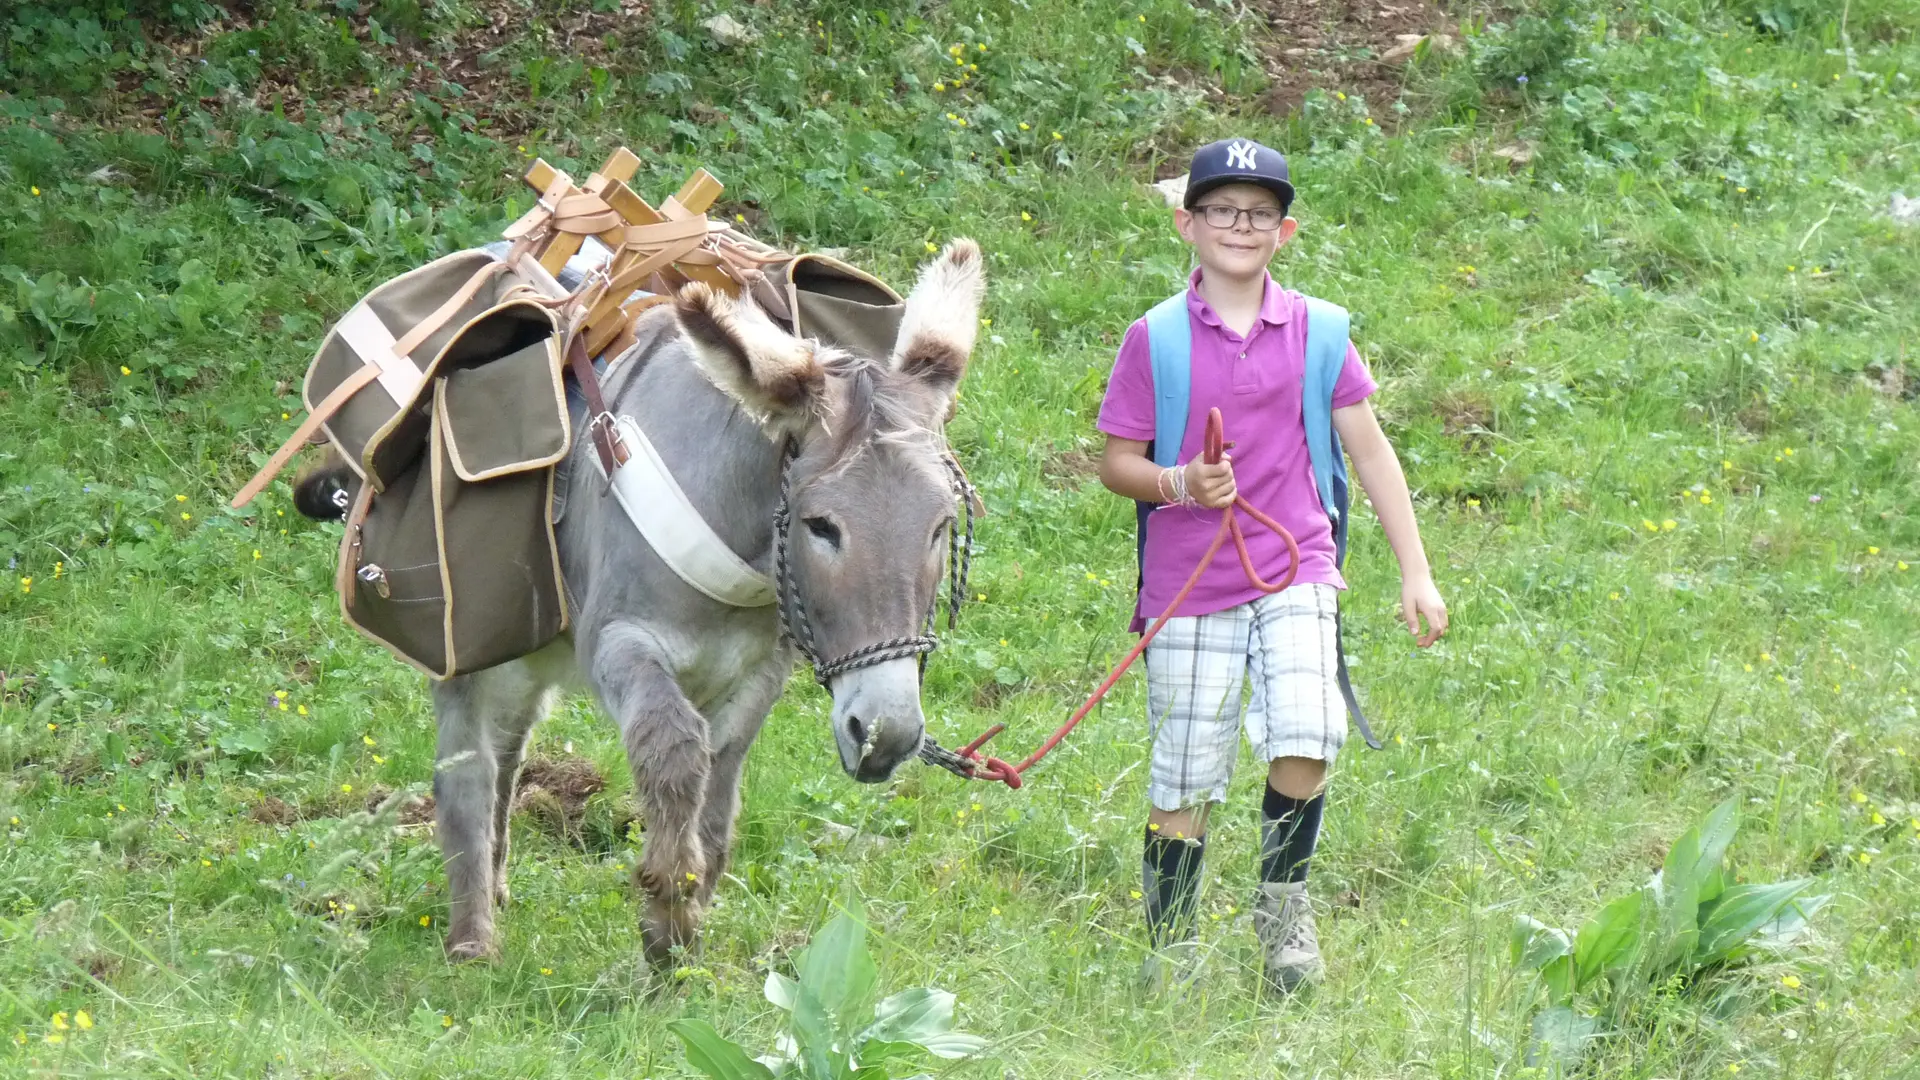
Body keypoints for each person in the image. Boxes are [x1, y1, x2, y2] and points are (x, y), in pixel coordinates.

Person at [1096, 137, 1449, 992]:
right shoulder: (1156, 338)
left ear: (1285, 233)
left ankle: (1281, 908)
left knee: (1306, 733)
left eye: (1259, 213)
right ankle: (1171, 941)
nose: (1239, 226)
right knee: (1185, 769)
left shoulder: (1320, 332)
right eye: (1221, 209)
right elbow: (1117, 462)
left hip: (1297, 568)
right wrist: (1180, 482)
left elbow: (1370, 453)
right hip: (1189, 583)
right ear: (1188, 223)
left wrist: (1416, 569)